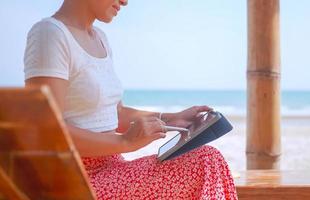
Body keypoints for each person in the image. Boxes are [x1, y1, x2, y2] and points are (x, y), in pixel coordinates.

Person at [23, 0, 238, 199]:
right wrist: (125, 142)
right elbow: (47, 133)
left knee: (205, 158)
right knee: (205, 161)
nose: (125, 1)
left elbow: (115, 113)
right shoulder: (50, 34)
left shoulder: (100, 38)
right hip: (75, 181)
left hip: (112, 168)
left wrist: (172, 119)